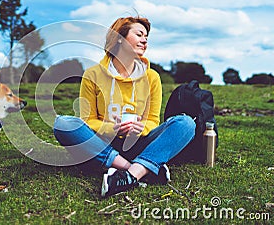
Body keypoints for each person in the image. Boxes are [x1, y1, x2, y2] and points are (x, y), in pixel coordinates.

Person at [53, 16, 195, 197]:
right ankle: (140, 170)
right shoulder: (93, 74)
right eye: (139, 34)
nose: (145, 40)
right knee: (64, 124)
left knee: (186, 124)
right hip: (103, 143)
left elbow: (153, 121)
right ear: (119, 38)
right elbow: (87, 121)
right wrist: (111, 128)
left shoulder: (152, 77)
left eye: (146, 37)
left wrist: (141, 128)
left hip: (138, 143)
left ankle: (127, 176)